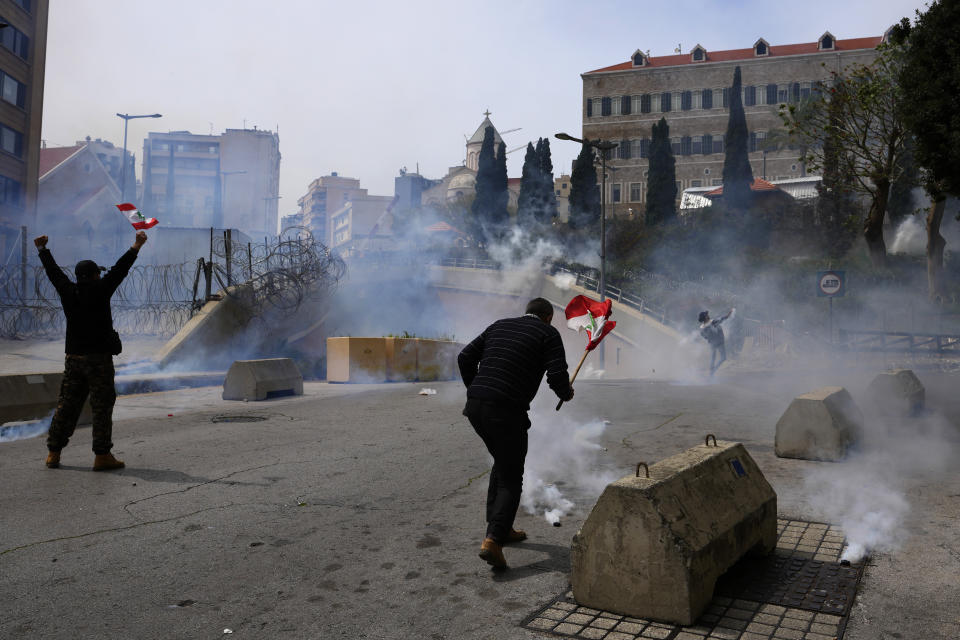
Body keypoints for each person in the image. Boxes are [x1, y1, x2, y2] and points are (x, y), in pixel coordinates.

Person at [457, 297, 574, 569]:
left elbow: (464, 356)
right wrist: (566, 393)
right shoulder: (548, 333)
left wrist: (475, 388)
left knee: (502, 461)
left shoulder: (499, 325)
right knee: (512, 476)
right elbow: (557, 375)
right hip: (506, 411)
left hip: (475, 407)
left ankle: (501, 527)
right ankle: (493, 540)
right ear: (547, 317)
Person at [36, 230, 148, 471]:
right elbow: (120, 269)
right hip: (98, 359)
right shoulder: (101, 289)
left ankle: (53, 452)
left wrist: (43, 251)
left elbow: (54, 273)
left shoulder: (69, 291)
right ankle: (102, 455)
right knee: (102, 405)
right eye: (99, 272)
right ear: (96, 275)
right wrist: (136, 246)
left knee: (67, 405)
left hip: (73, 358)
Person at [698, 309, 733, 376]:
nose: (708, 315)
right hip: (719, 342)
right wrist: (728, 315)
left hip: (712, 343)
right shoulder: (712, 322)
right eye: (707, 315)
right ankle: (713, 370)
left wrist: (709, 339)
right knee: (723, 358)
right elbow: (721, 319)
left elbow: (703, 336)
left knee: (713, 358)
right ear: (705, 317)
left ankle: (711, 373)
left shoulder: (702, 327)